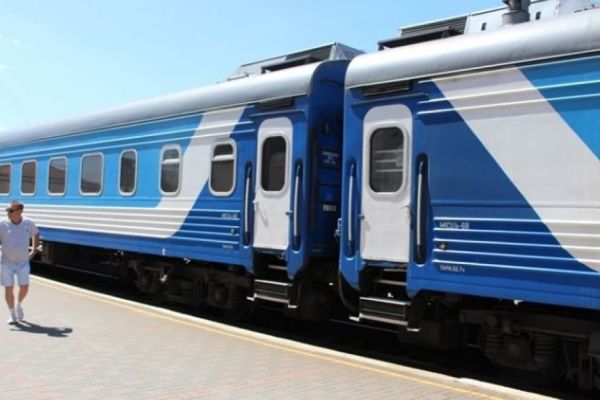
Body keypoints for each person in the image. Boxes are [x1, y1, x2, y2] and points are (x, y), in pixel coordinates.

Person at [0, 200, 39, 324]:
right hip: (6, 262)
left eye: (11, 211)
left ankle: (18, 304)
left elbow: (36, 234)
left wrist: (33, 250)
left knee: (24, 286)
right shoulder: (2, 223)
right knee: (9, 288)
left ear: (20, 211)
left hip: (23, 262)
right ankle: (12, 314)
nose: (8, 213)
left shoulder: (28, 222)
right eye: (8, 210)